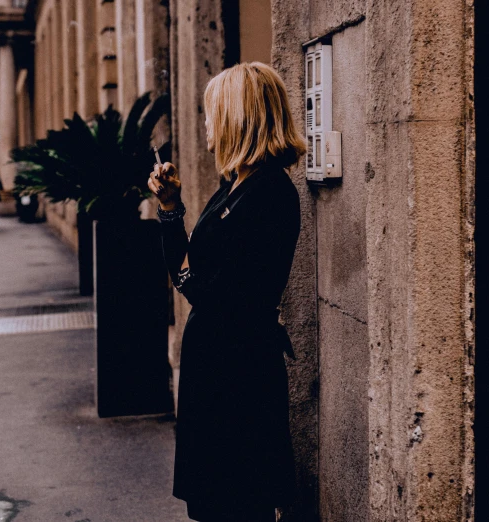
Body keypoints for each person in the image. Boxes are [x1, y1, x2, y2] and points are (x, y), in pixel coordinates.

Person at [147, 63, 306, 522]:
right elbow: (188, 277)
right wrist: (171, 208)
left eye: (211, 112)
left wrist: (188, 276)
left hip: (239, 374)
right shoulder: (234, 186)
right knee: (218, 505)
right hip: (218, 367)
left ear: (239, 117)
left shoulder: (270, 193)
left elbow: (215, 292)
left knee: (238, 504)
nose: (205, 124)